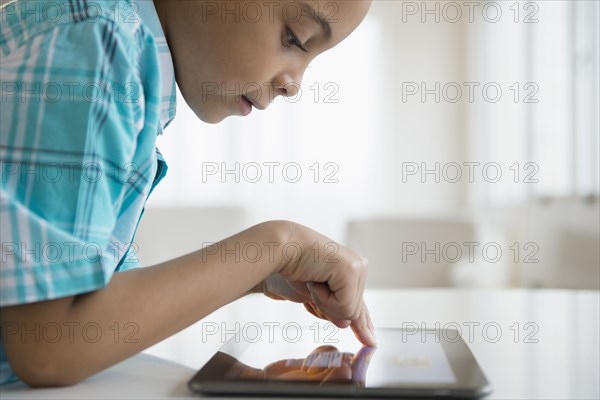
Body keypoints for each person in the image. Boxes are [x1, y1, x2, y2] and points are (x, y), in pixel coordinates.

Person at [0, 0, 375, 387]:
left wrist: (260, 273)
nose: (294, 85)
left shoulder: (121, 54)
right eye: (295, 37)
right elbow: (49, 344)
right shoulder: (101, 41)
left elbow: (91, 303)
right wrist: (277, 245)